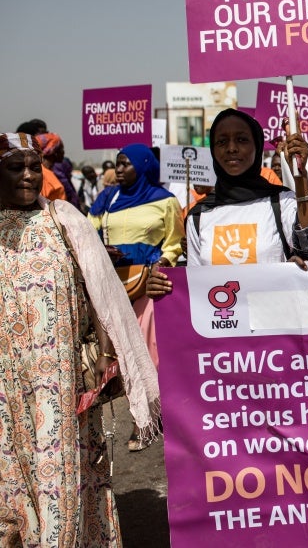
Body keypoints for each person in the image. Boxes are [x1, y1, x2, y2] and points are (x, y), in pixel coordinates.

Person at [0, 132, 160, 546]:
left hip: (59, 382)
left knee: (61, 477)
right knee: (11, 481)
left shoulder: (63, 218)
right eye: (15, 167)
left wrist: (106, 356)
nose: (28, 175)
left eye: (34, 166)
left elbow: (100, 291)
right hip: (6, 385)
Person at [146, 110, 308, 276]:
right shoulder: (198, 216)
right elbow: (196, 284)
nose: (231, 148)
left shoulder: (281, 201)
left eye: (241, 140)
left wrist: (301, 175)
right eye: (222, 142)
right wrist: (162, 283)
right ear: (213, 150)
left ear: (257, 146)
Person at [88, 143, 183, 450]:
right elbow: (88, 232)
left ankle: (146, 420)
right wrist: (101, 249)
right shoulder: (107, 198)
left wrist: (162, 262)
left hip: (148, 286)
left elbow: (175, 242)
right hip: (112, 284)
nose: (119, 170)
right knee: (120, 353)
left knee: (148, 353)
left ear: (143, 166)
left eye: (126, 164)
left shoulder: (166, 201)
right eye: (117, 163)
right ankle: (141, 414)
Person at [35, 132, 81, 208]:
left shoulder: (43, 172)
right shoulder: (44, 175)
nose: (63, 152)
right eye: (61, 149)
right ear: (54, 151)